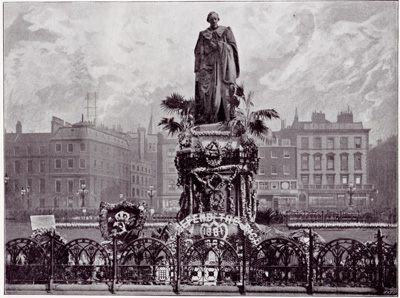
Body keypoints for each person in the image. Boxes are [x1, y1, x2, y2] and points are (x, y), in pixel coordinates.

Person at [194, 12, 240, 124]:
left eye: (215, 18)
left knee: (226, 91)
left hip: (224, 67)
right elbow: (198, 52)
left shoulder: (226, 31)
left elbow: (232, 47)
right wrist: (198, 69)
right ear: (208, 20)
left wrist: (220, 46)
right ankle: (208, 117)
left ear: (218, 19)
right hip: (208, 68)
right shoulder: (203, 34)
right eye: (211, 19)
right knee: (207, 93)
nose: (213, 21)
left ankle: (229, 117)